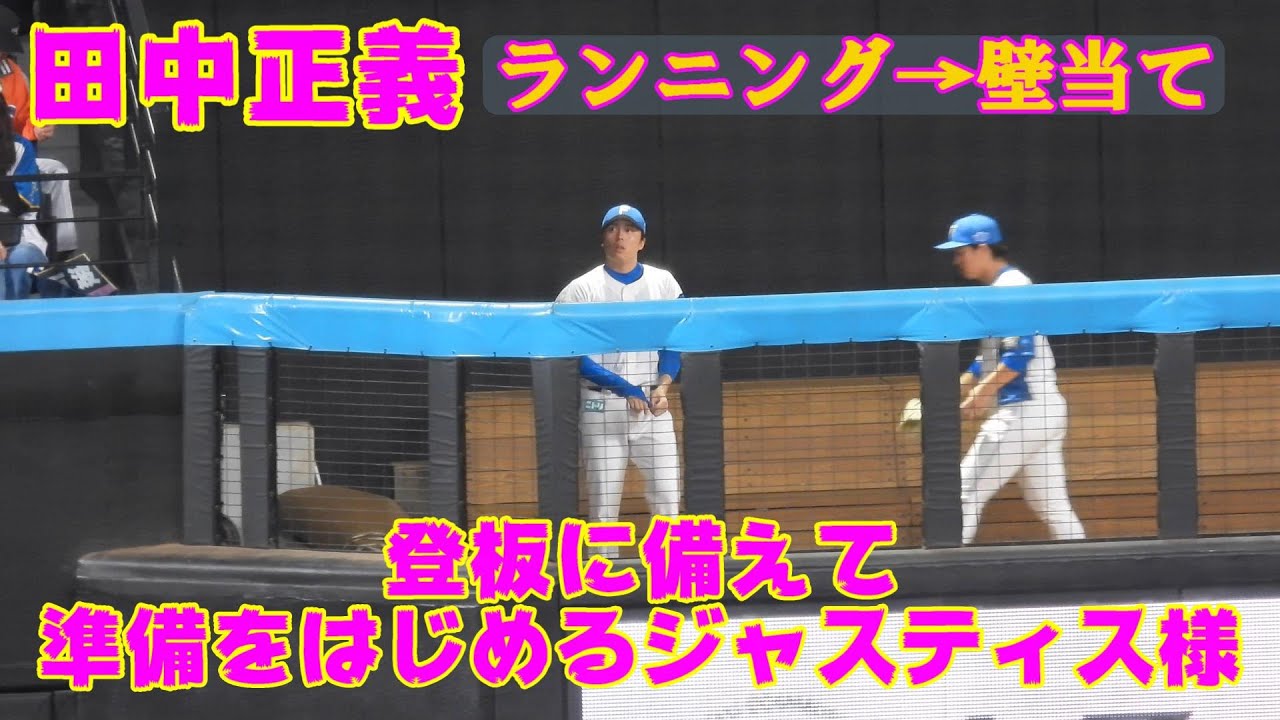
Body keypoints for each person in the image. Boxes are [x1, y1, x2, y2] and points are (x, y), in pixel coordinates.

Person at [934, 213, 1087, 544]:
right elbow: (990, 357)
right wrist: (963, 384)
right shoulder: (999, 288)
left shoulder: (1012, 286)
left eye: (961, 251)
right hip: (1042, 410)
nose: (957, 260)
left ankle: (946, 570)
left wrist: (981, 394)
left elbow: (1019, 355)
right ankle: (1091, 569)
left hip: (1025, 411)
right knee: (1053, 507)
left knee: (963, 493)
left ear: (983, 247)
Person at [555, 204, 684, 556]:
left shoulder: (663, 283)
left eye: (629, 229)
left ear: (642, 241)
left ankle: (670, 573)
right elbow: (574, 356)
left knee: (668, 498)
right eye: (613, 229)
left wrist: (663, 385)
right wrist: (625, 388)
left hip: (653, 407)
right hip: (602, 406)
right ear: (603, 239)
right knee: (604, 504)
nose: (620, 236)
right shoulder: (581, 289)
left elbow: (674, 342)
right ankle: (602, 578)